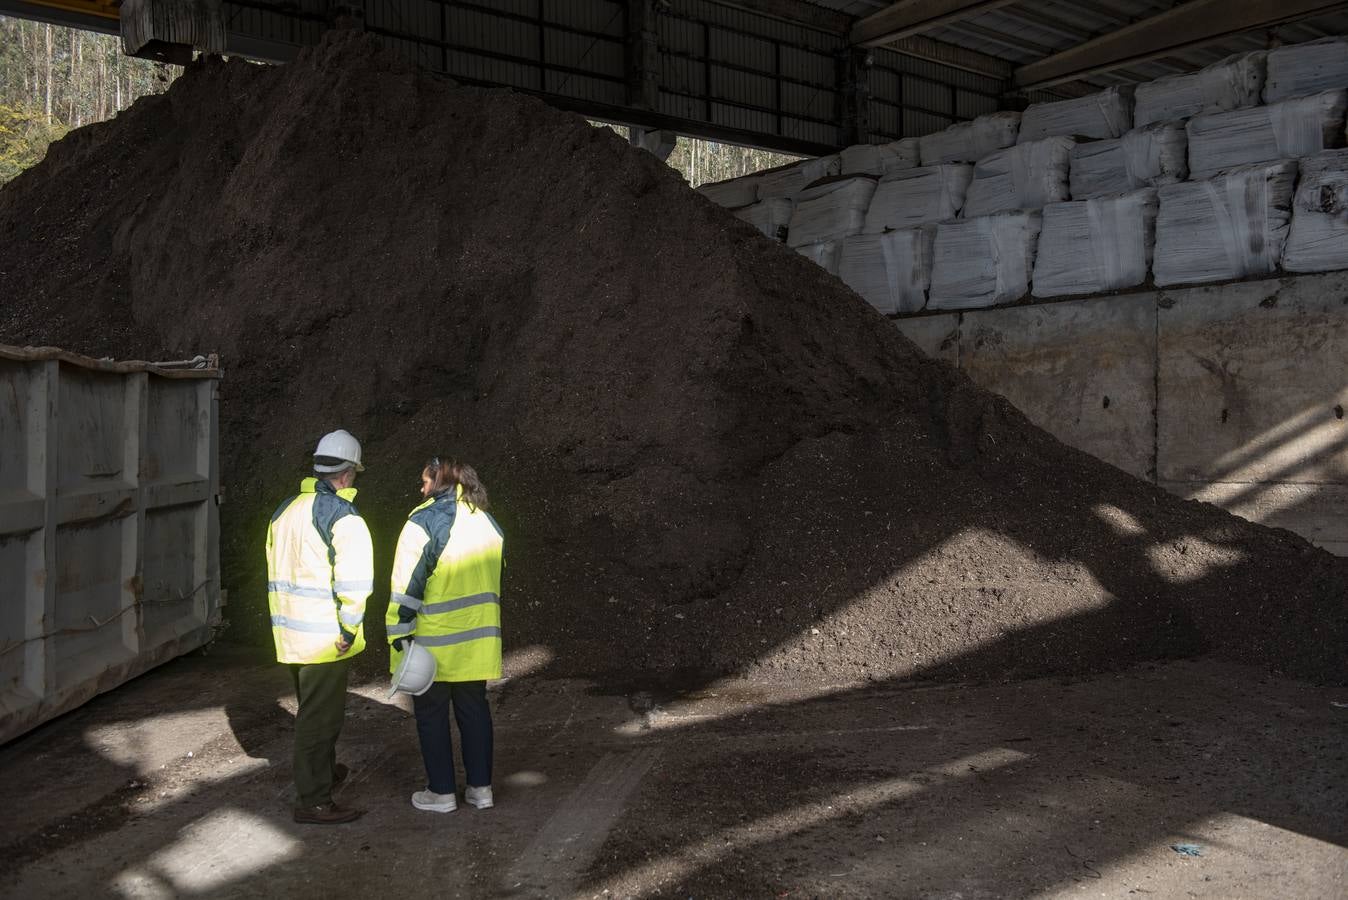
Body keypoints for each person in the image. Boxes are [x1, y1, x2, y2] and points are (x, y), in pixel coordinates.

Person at [266, 429, 374, 825]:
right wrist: (348, 629)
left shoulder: (286, 508)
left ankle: (323, 775)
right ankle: (314, 799)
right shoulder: (342, 516)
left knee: (313, 712)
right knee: (319, 720)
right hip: (325, 638)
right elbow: (355, 582)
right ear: (347, 474)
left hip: (291, 635)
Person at [387, 458, 504, 813]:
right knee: (475, 713)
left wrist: (398, 635)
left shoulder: (423, 521)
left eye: (423, 482)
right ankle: (480, 789)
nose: (421, 489)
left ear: (438, 481)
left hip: (433, 644)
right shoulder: (486, 521)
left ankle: (441, 793)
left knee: (432, 716)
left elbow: (407, 587)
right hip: (478, 643)